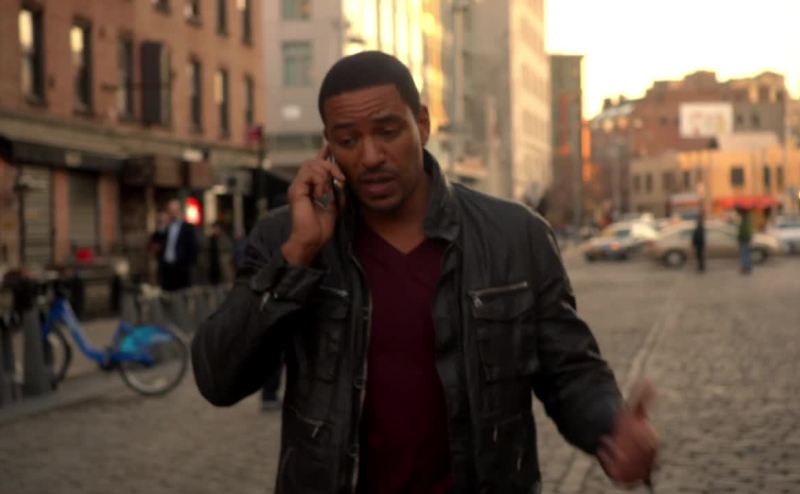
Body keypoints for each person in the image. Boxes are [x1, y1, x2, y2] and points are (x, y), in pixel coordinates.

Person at [191, 51, 657, 493]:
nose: (370, 156)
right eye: (348, 140)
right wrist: (297, 257)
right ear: (328, 148)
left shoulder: (515, 237)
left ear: (423, 125)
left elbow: (569, 370)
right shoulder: (288, 237)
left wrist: (610, 427)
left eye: (388, 131)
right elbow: (219, 379)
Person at [160, 199, 197, 291]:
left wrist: (187, 265)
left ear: (180, 211)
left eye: (175, 211)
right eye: (171, 211)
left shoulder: (187, 228)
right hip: (167, 267)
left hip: (181, 268)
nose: (173, 214)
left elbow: (193, 248)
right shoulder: (166, 228)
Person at [207, 221, 234, 285]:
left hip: (223, 263)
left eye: (216, 228)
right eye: (213, 228)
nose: (215, 230)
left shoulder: (225, 238)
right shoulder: (211, 239)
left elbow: (229, 250)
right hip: (213, 264)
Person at [737, 208, 753, 275]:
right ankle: (748, 267)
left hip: (743, 239)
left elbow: (743, 232)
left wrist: (739, 237)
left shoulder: (744, 222)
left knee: (744, 254)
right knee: (746, 253)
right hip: (747, 239)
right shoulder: (748, 221)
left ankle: (745, 268)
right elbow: (749, 231)